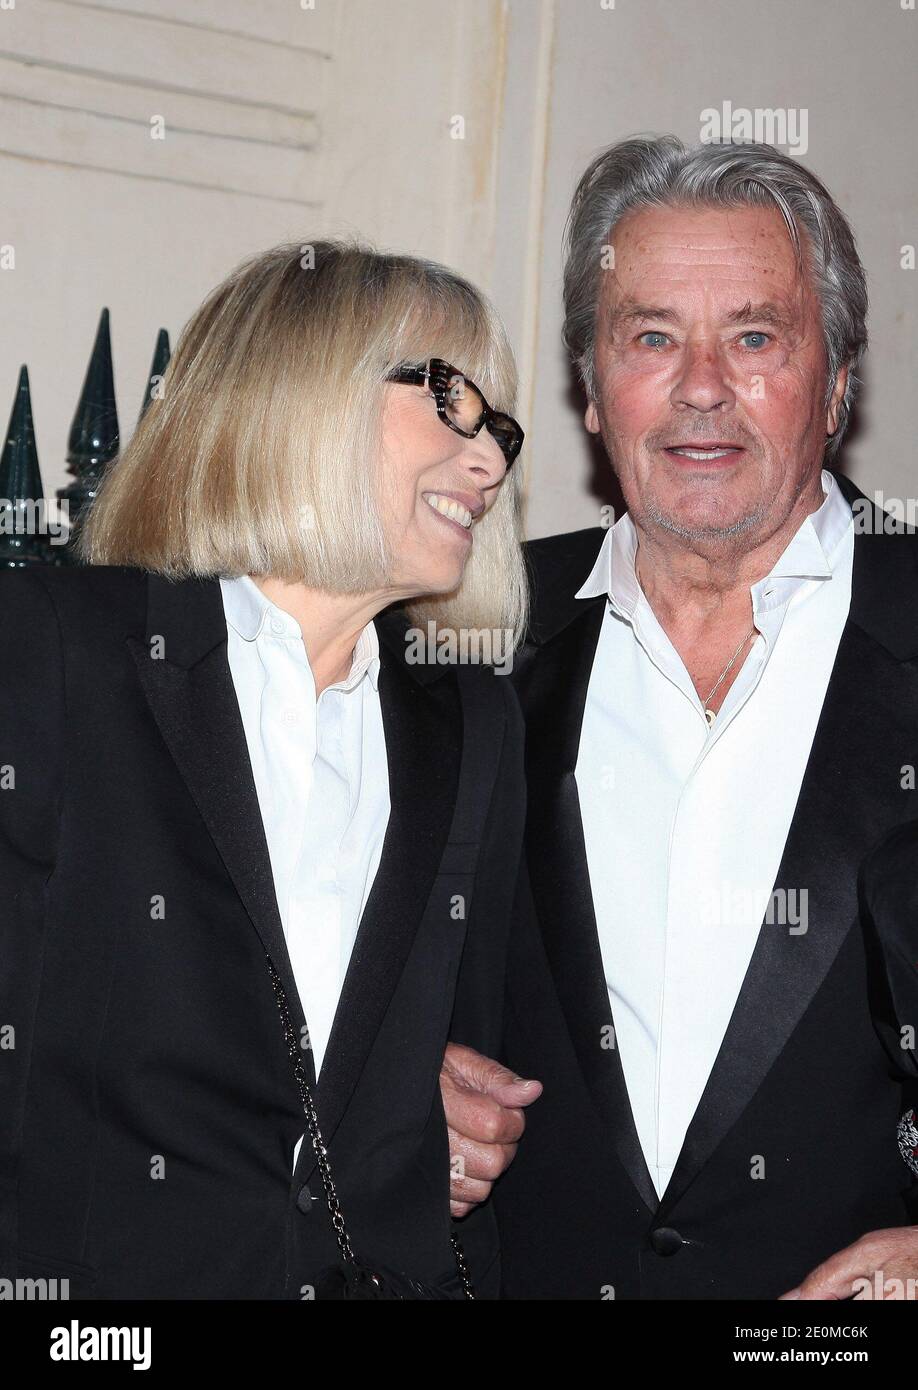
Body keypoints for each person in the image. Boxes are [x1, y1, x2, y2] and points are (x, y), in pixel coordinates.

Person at [0, 239, 534, 1299]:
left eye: (502, 430)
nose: (491, 461)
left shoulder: (471, 723)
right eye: (453, 403)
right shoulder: (62, 653)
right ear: (301, 386)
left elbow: (458, 1056)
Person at [443, 137, 918, 1299]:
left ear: (839, 378)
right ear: (592, 389)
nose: (702, 384)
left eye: (756, 337)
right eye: (652, 337)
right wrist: (394, 1086)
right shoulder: (462, 638)